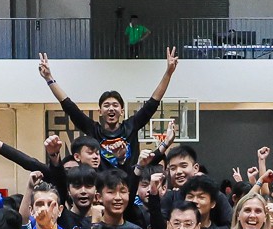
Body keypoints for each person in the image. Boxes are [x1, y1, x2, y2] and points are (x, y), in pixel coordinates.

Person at [38, 50, 179, 168]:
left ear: (122, 111)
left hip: (129, 185)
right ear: (100, 111)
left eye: (115, 105)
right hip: (101, 187)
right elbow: (69, 106)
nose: (111, 108)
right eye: (106, 105)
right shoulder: (93, 130)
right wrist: (49, 78)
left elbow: (153, 103)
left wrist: (168, 73)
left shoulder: (131, 126)